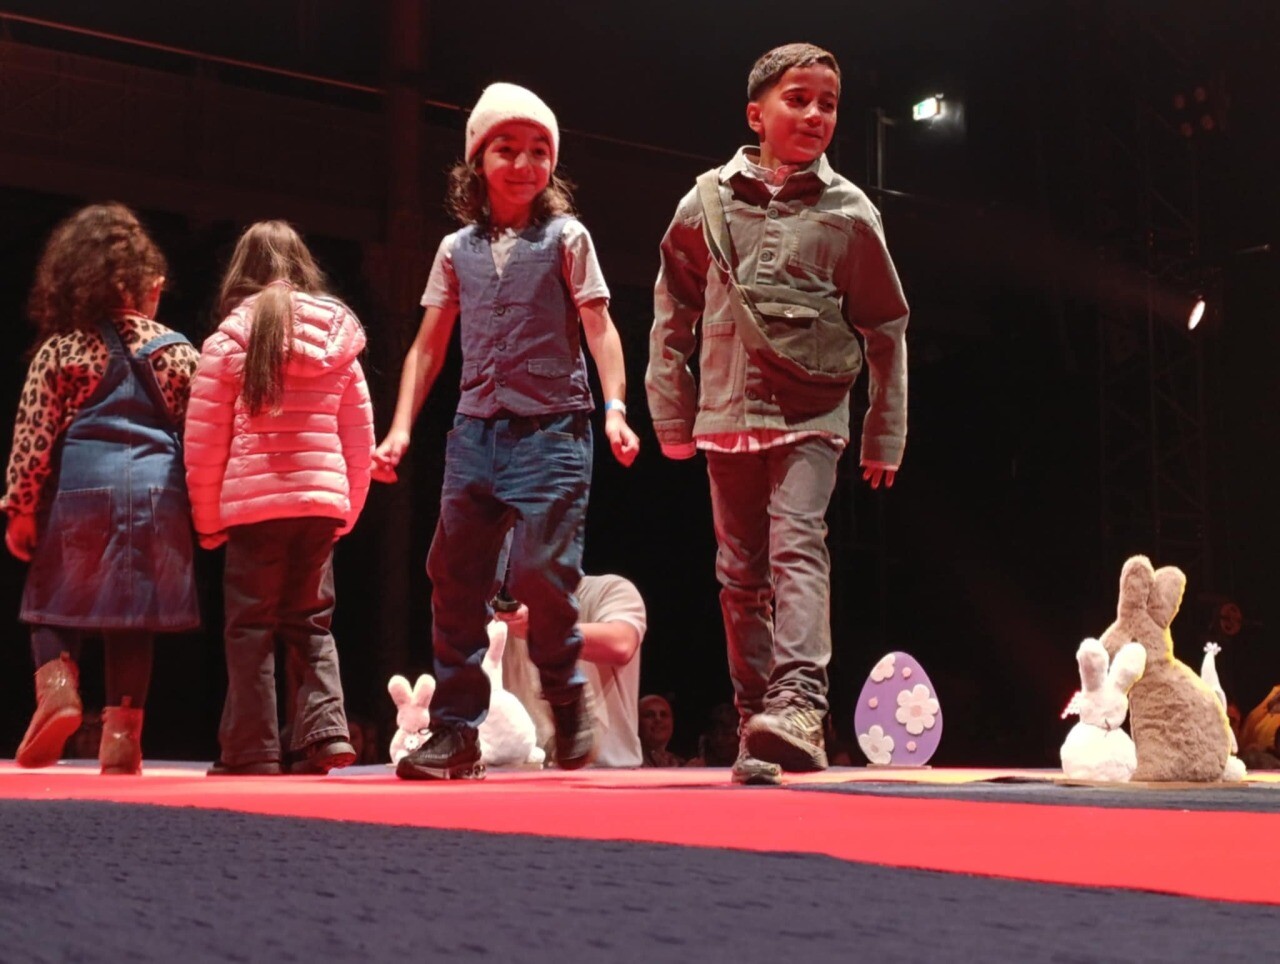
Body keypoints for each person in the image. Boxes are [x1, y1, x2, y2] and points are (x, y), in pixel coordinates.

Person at [645, 43, 909, 785]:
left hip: (814, 415)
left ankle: (799, 704)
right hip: (726, 410)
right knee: (737, 575)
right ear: (755, 112)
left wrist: (884, 431)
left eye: (828, 102)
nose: (816, 114)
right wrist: (672, 410)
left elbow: (885, 326)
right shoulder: (704, 203)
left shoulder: (849, 211)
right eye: (799, 99)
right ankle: (756, 720)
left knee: (799, 544)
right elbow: (673, 309)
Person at [374, 83, 640, 781]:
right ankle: (456, 730)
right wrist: (400, 426)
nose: (524, 163)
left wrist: (615, 407)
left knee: (539, 577)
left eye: (539, 151)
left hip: (553, 429)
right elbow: (429, 346)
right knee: (454, 574)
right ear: (477, 160)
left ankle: (563, 683)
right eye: (507, 149)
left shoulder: (566, 237)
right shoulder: (455, 249)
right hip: (473, 433)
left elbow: (598, 324)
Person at [2, 202, 201, 775]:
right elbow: (202, 436)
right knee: (135, 617)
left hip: (81, 495)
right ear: (147, 287)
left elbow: (33, 435)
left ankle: (60, 689)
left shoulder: (64, 348)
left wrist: (19, 506)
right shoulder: (179, 351)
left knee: (51, 599)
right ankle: (122, 737)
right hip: (159, 497)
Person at [184, 220, 374, 776]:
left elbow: (204, 442)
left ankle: (252, 748)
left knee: (250, 628)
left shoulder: (227, 341)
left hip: (254, 511)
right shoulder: (339, 338)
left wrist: (207, 520)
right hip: (320, 506)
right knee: (310, 623)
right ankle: (325, 734)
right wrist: (346, 510)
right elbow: (358, 439)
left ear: (242, 270)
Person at [495, 572, 647, 768]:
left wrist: (545, 630)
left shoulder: (607, 589)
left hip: (607, 773)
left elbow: (621, 644)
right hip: (527, 774)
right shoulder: (500, 611)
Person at [638, 695, 684, 767]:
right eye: (649, 715)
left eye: (663, 715)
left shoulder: (679, 763)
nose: (658, 719)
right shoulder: (628, 762)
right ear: (636, 722)